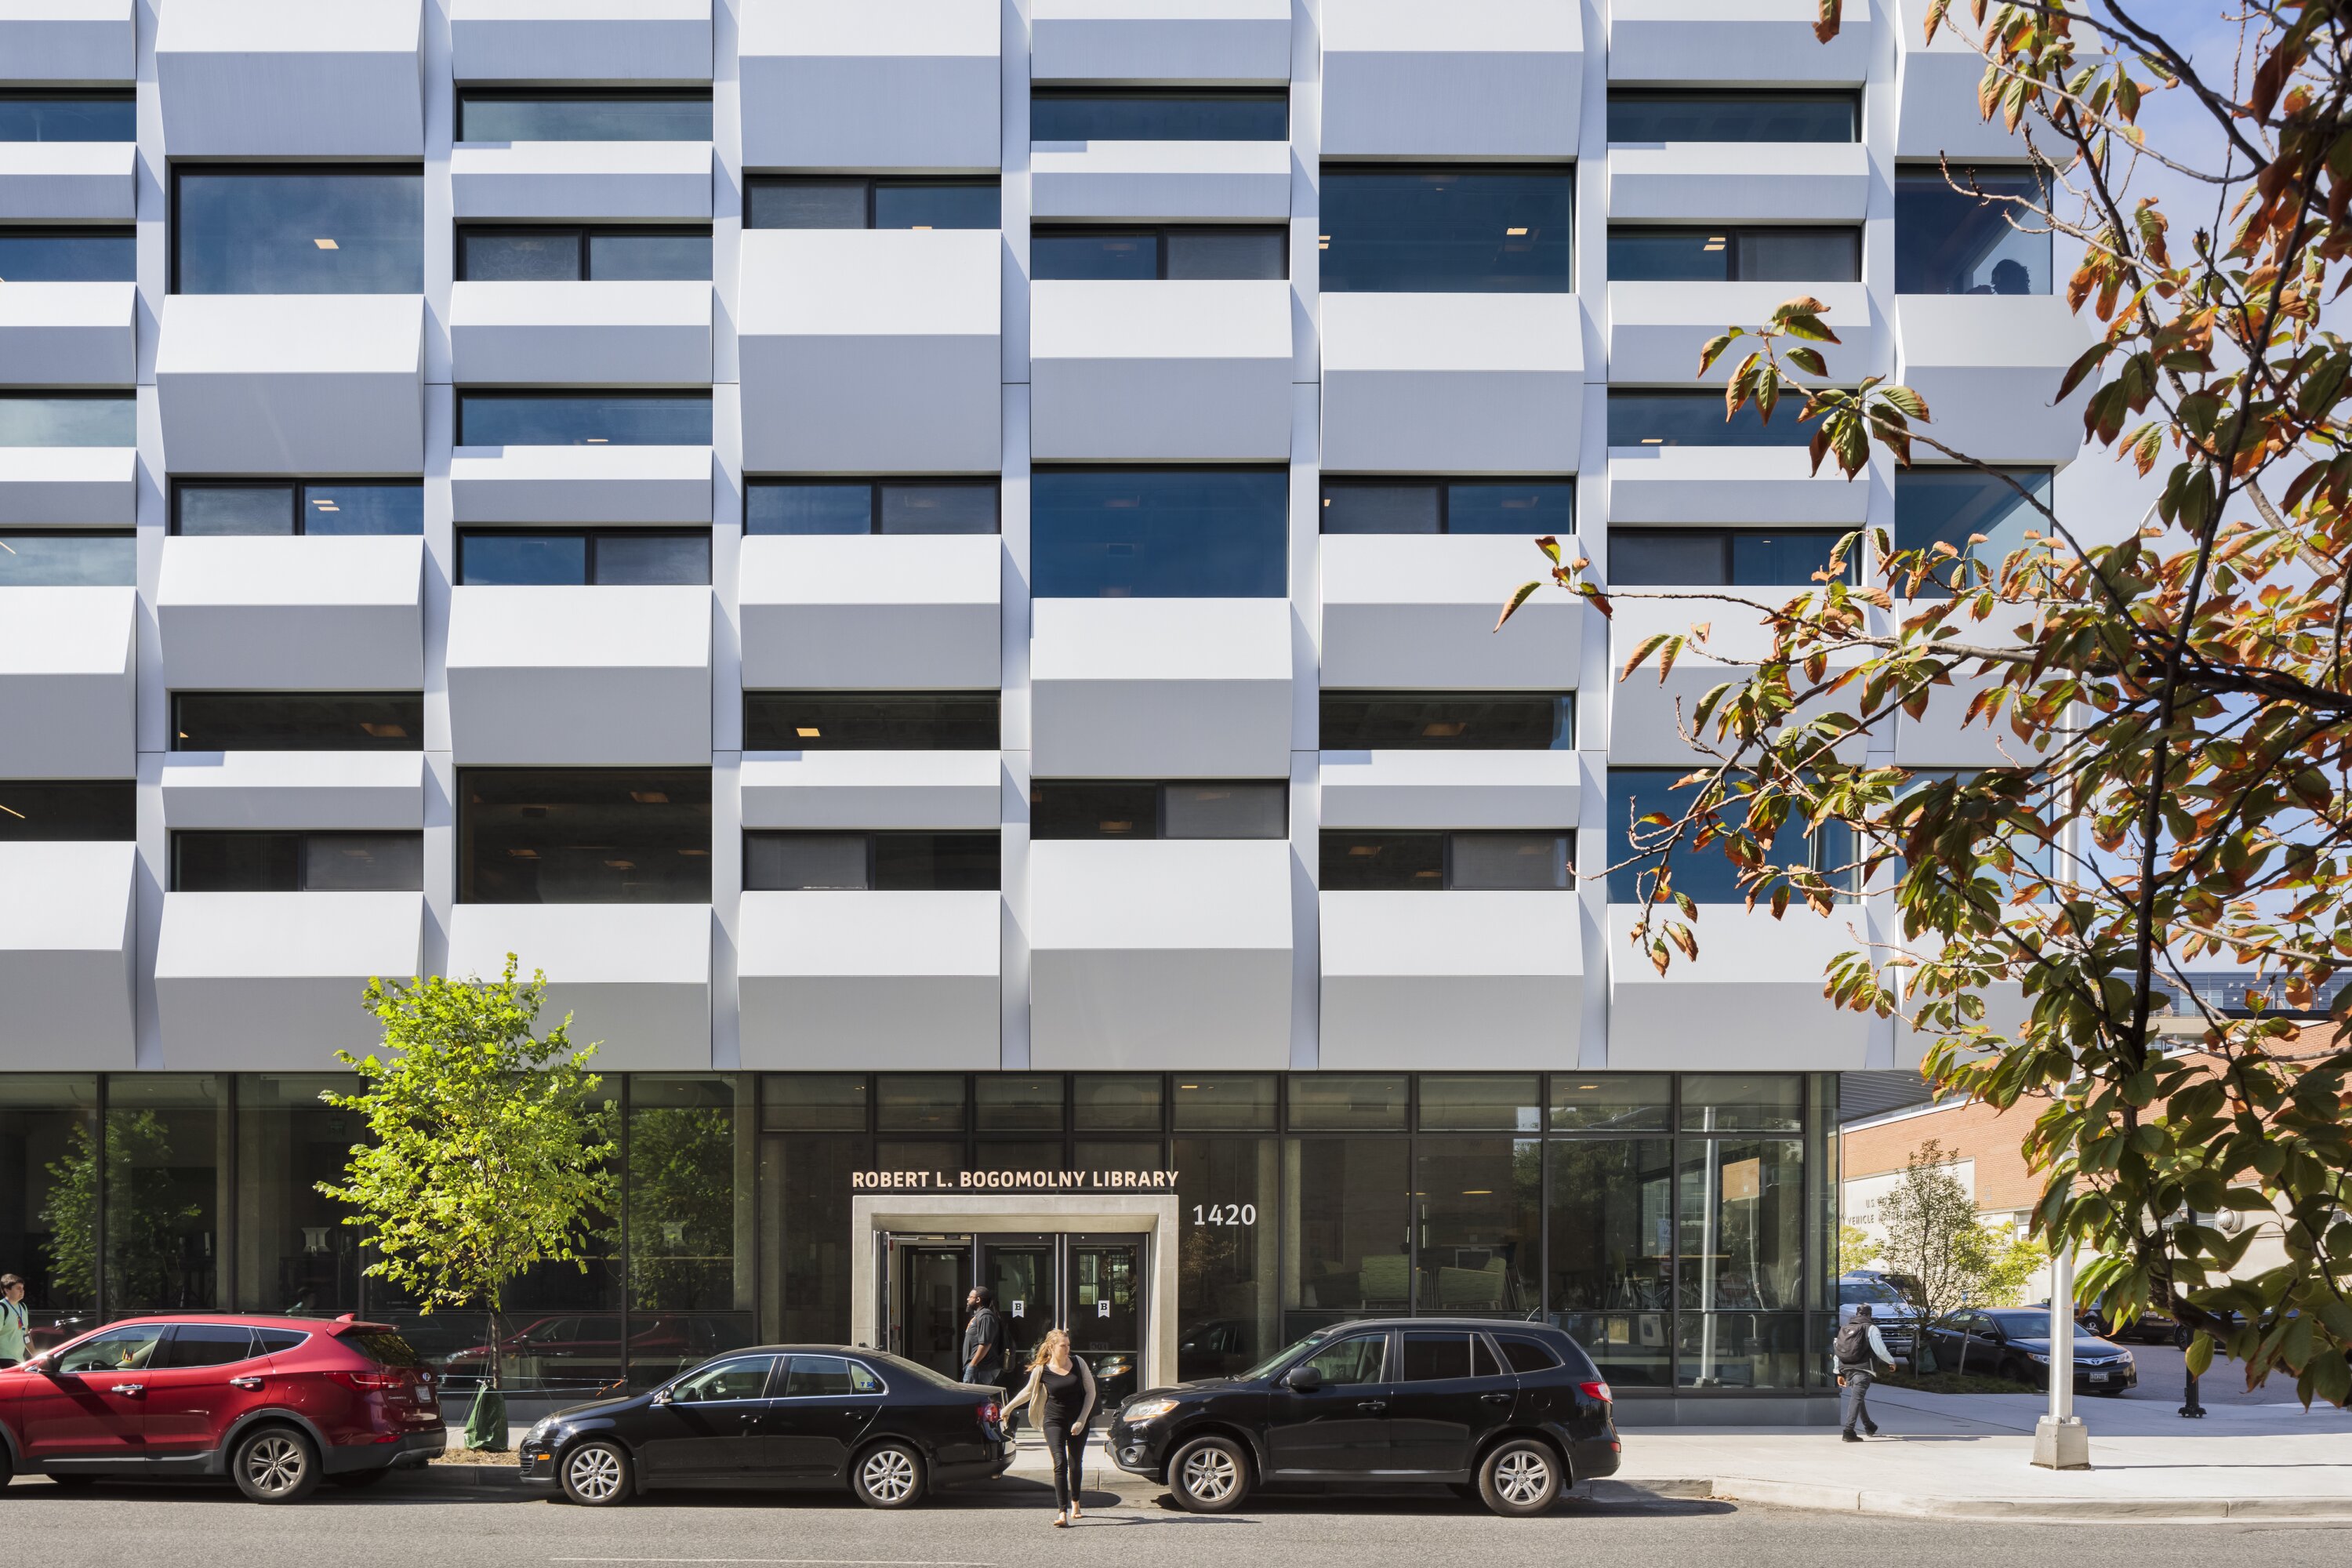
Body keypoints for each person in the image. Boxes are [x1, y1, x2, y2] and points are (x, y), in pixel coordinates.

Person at [1006, 1328, 1098, 1527]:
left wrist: (1081, 1420)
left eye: (1068, 1345)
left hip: (1077, 1421)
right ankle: (1062, 1513)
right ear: (1051, 1347)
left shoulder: (1078, 1363)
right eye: (1063, 1346)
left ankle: (1076, 1502)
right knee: (1060, 1463)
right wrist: (1008, 1407)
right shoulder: (1043, 1369)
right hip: (1053, 1420)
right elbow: (1028, 1392)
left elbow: (1091, 1393)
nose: (1067, 1349)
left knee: (1075, 1465)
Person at [1834, 1303, 1896, 1442]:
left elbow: (1837, 1351)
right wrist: (1891, 1361)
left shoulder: (1845, 1329)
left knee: (1858, 1398)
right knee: (1856, 1399)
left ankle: (1869, 1426)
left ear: (1857, 1314)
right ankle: (1848, 1431)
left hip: (1847, 1368)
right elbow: (1879, 1349)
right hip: (1863, 1369)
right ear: (1869, 1315)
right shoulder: (1871, 1328)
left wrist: (1839, 1372)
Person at [961, 1284, 1005, 1388]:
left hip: (982, 1369)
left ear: (978, 1300)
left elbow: (985, 1344)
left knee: (976, 1400)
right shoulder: (979, 1315)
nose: (967, 1299)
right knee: (981, 1402)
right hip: (977, 1368)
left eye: (970, 1297)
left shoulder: (986, 1316)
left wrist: (973, 1365)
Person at [0, 1276, 27, 1369]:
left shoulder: (23, 1307)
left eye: (23, 1288)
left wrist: (35, 1355)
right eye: (18, 1288)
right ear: (7, 1290)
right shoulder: (2, 1308)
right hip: (4, 1359)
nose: (22, 1291)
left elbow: (26, 1334)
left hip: (20, 1360)